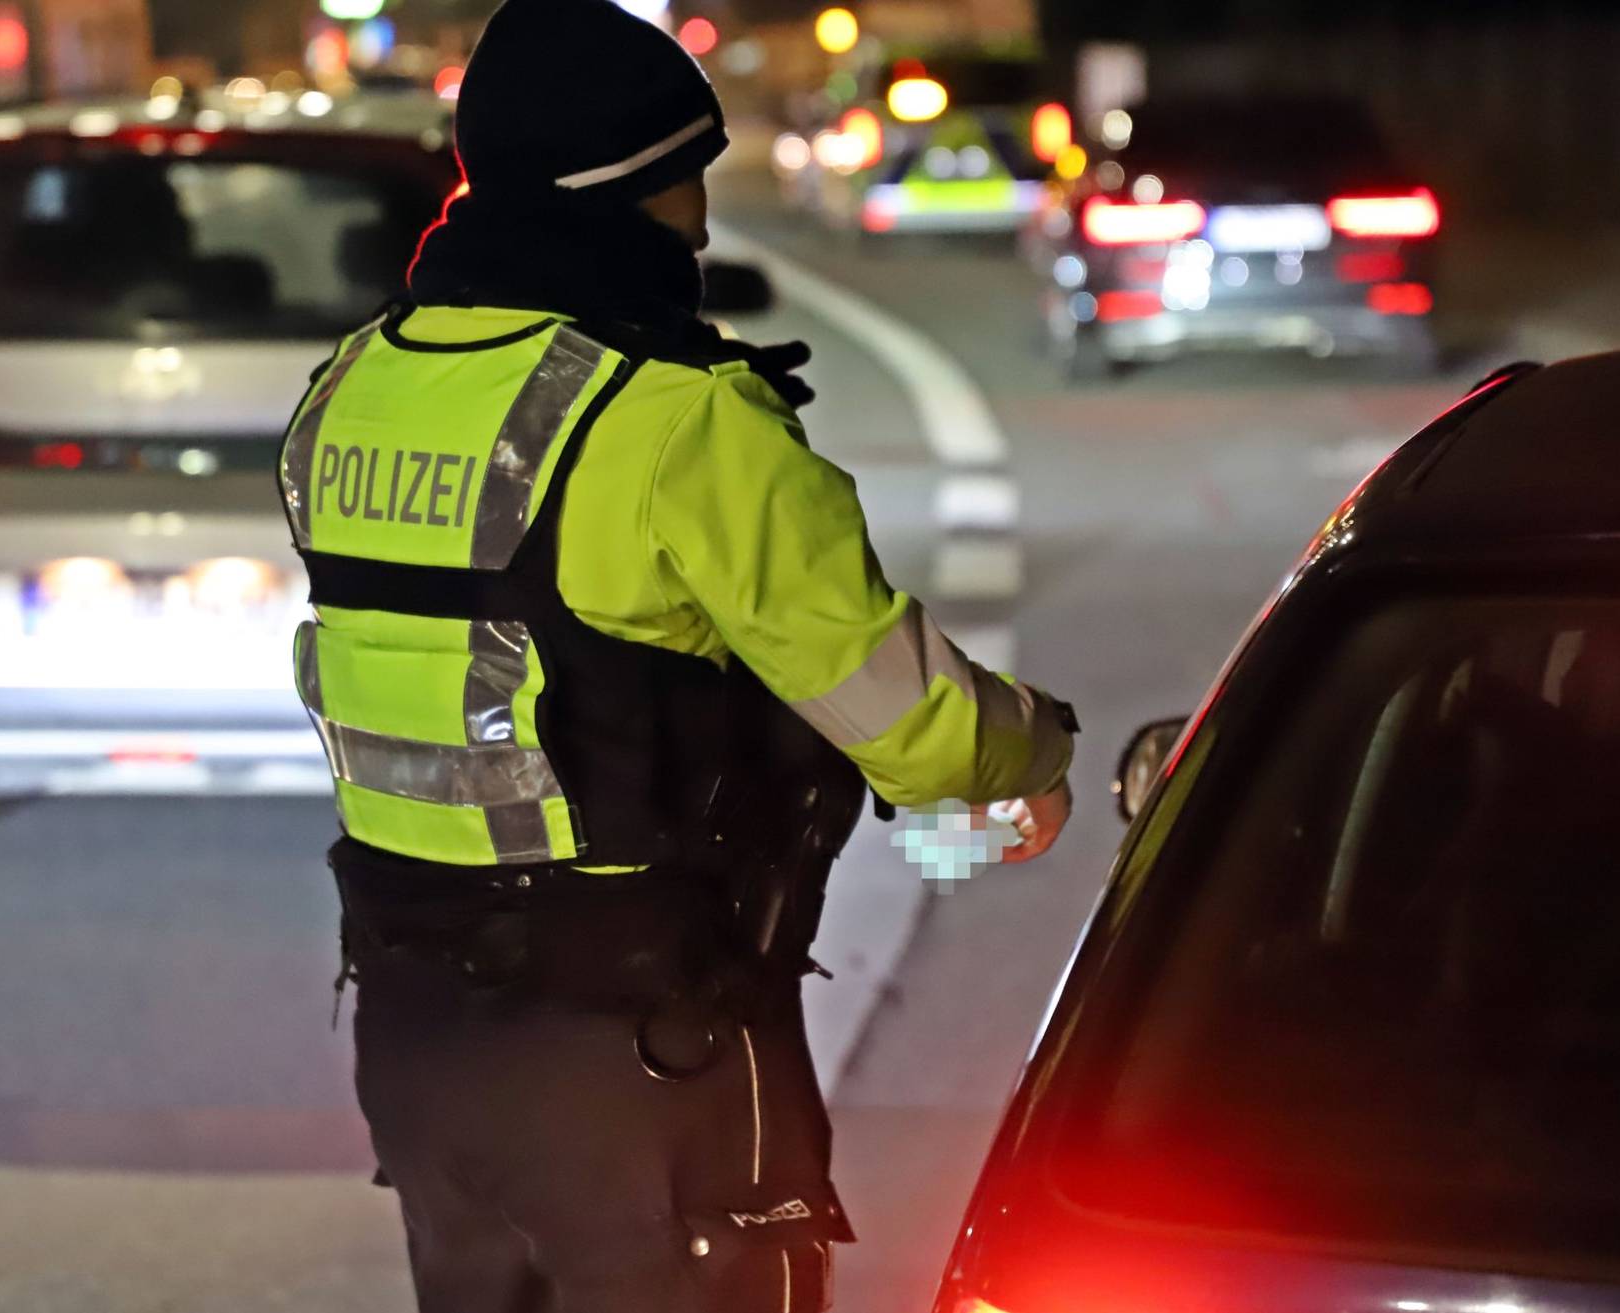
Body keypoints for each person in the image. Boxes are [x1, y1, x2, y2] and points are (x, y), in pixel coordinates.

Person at [276, 0, 1078, 1307]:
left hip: (420, 1034)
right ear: (628, 188)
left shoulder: (351, 388)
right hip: (642, 1046)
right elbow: (919, 731)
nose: (701, 221)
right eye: (685, 177)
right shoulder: (678, 420)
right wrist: (1036, 747)